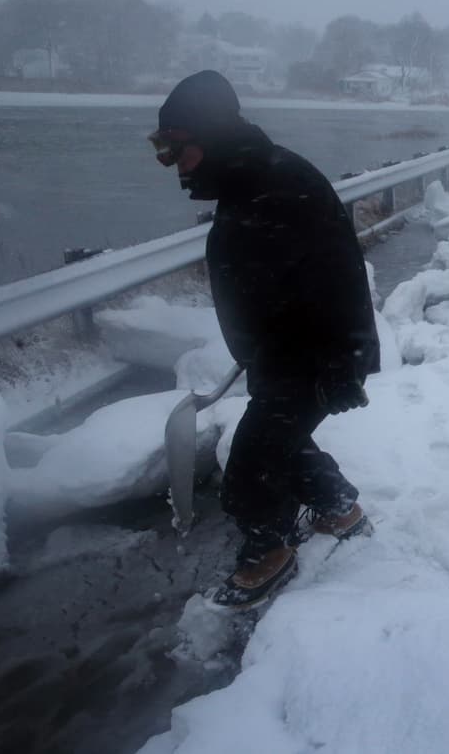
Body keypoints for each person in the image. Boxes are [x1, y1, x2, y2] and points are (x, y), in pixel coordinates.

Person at [149, 70, 380, 608]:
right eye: (161, 151)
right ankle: (339, 507)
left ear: (208, 136)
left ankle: (268, 554)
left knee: (251, 464)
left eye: (173, 149)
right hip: (286, 353)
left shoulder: (274, 187)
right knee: (278, 439)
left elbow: (334, 277)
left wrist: (340, 367)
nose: (171, 164)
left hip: (314, 356)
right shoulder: (249, 179)